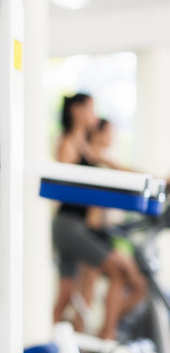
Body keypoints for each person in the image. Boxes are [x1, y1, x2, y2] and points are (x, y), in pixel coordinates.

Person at [52, 94, 146, 340]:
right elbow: (63, 180)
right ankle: (106, 335)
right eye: (90, 109)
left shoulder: (84, 145)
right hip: (69, 225)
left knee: (65, 295)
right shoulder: (69, 142)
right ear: (76, 110)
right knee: (117, 272)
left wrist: (155, 178)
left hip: (74, 226)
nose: (94, 116)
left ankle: (64, 342)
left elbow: (117, 168)